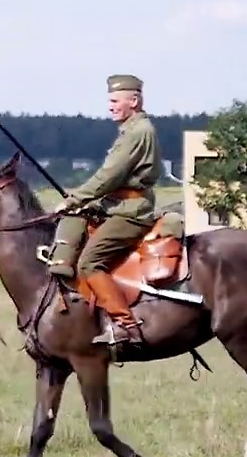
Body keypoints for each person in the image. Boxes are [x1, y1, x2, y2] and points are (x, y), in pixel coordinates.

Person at [46, 73, 162, 347]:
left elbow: (109, 175)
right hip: (116, 205)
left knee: (89, 262)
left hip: (130, 211)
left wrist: (75, 199)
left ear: (133, 100)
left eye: (115, 101)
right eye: (109, 101)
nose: (110, 106)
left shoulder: (138, 132)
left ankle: (127, 326)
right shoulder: (130, 131)